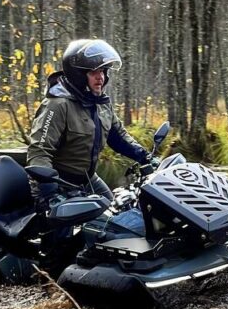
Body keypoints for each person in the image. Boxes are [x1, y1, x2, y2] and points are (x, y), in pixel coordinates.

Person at [27, 39, 152, 202]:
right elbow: (39, 150)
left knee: (113, 218)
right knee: (64, 224)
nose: (100, 77)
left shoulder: (100, 103)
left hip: (87, 179)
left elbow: (119, 138)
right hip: (58, 183)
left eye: (103, 71)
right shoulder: (58, 105)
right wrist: (50, 191)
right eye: (94, 72)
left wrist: (145, 157)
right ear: (78, 75)